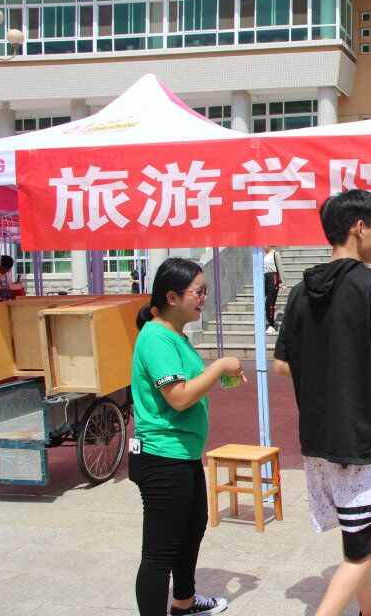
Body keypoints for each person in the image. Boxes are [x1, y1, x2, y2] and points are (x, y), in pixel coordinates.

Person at [274, 189, 371, 616]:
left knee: (357, 535)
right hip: (361, 436)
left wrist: (325, 384)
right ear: (359, 227)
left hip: (317, 436)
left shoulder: (300, 291)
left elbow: (282, 364)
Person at [130, 257, 245, 616]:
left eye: (205, 290)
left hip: (182, 453)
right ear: (172, 296)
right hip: (162, 456)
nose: (204, 298)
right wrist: (219, 366)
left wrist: (217, 376)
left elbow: (189, 384)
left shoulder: (175, 335)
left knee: (191, 529)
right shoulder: (156, 338)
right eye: (198, 291)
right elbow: (178, 397)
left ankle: (184, 602)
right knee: (158, 554)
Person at [263, 246, 288, 334]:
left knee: (269, 303)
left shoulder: (275, 254)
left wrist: (284, 283)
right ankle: (274, 310)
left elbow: (280, 268)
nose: (263, 246)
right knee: (263, 303)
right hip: (264, 279)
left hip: (273, 278)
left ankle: (271, 326)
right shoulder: (262, 255)